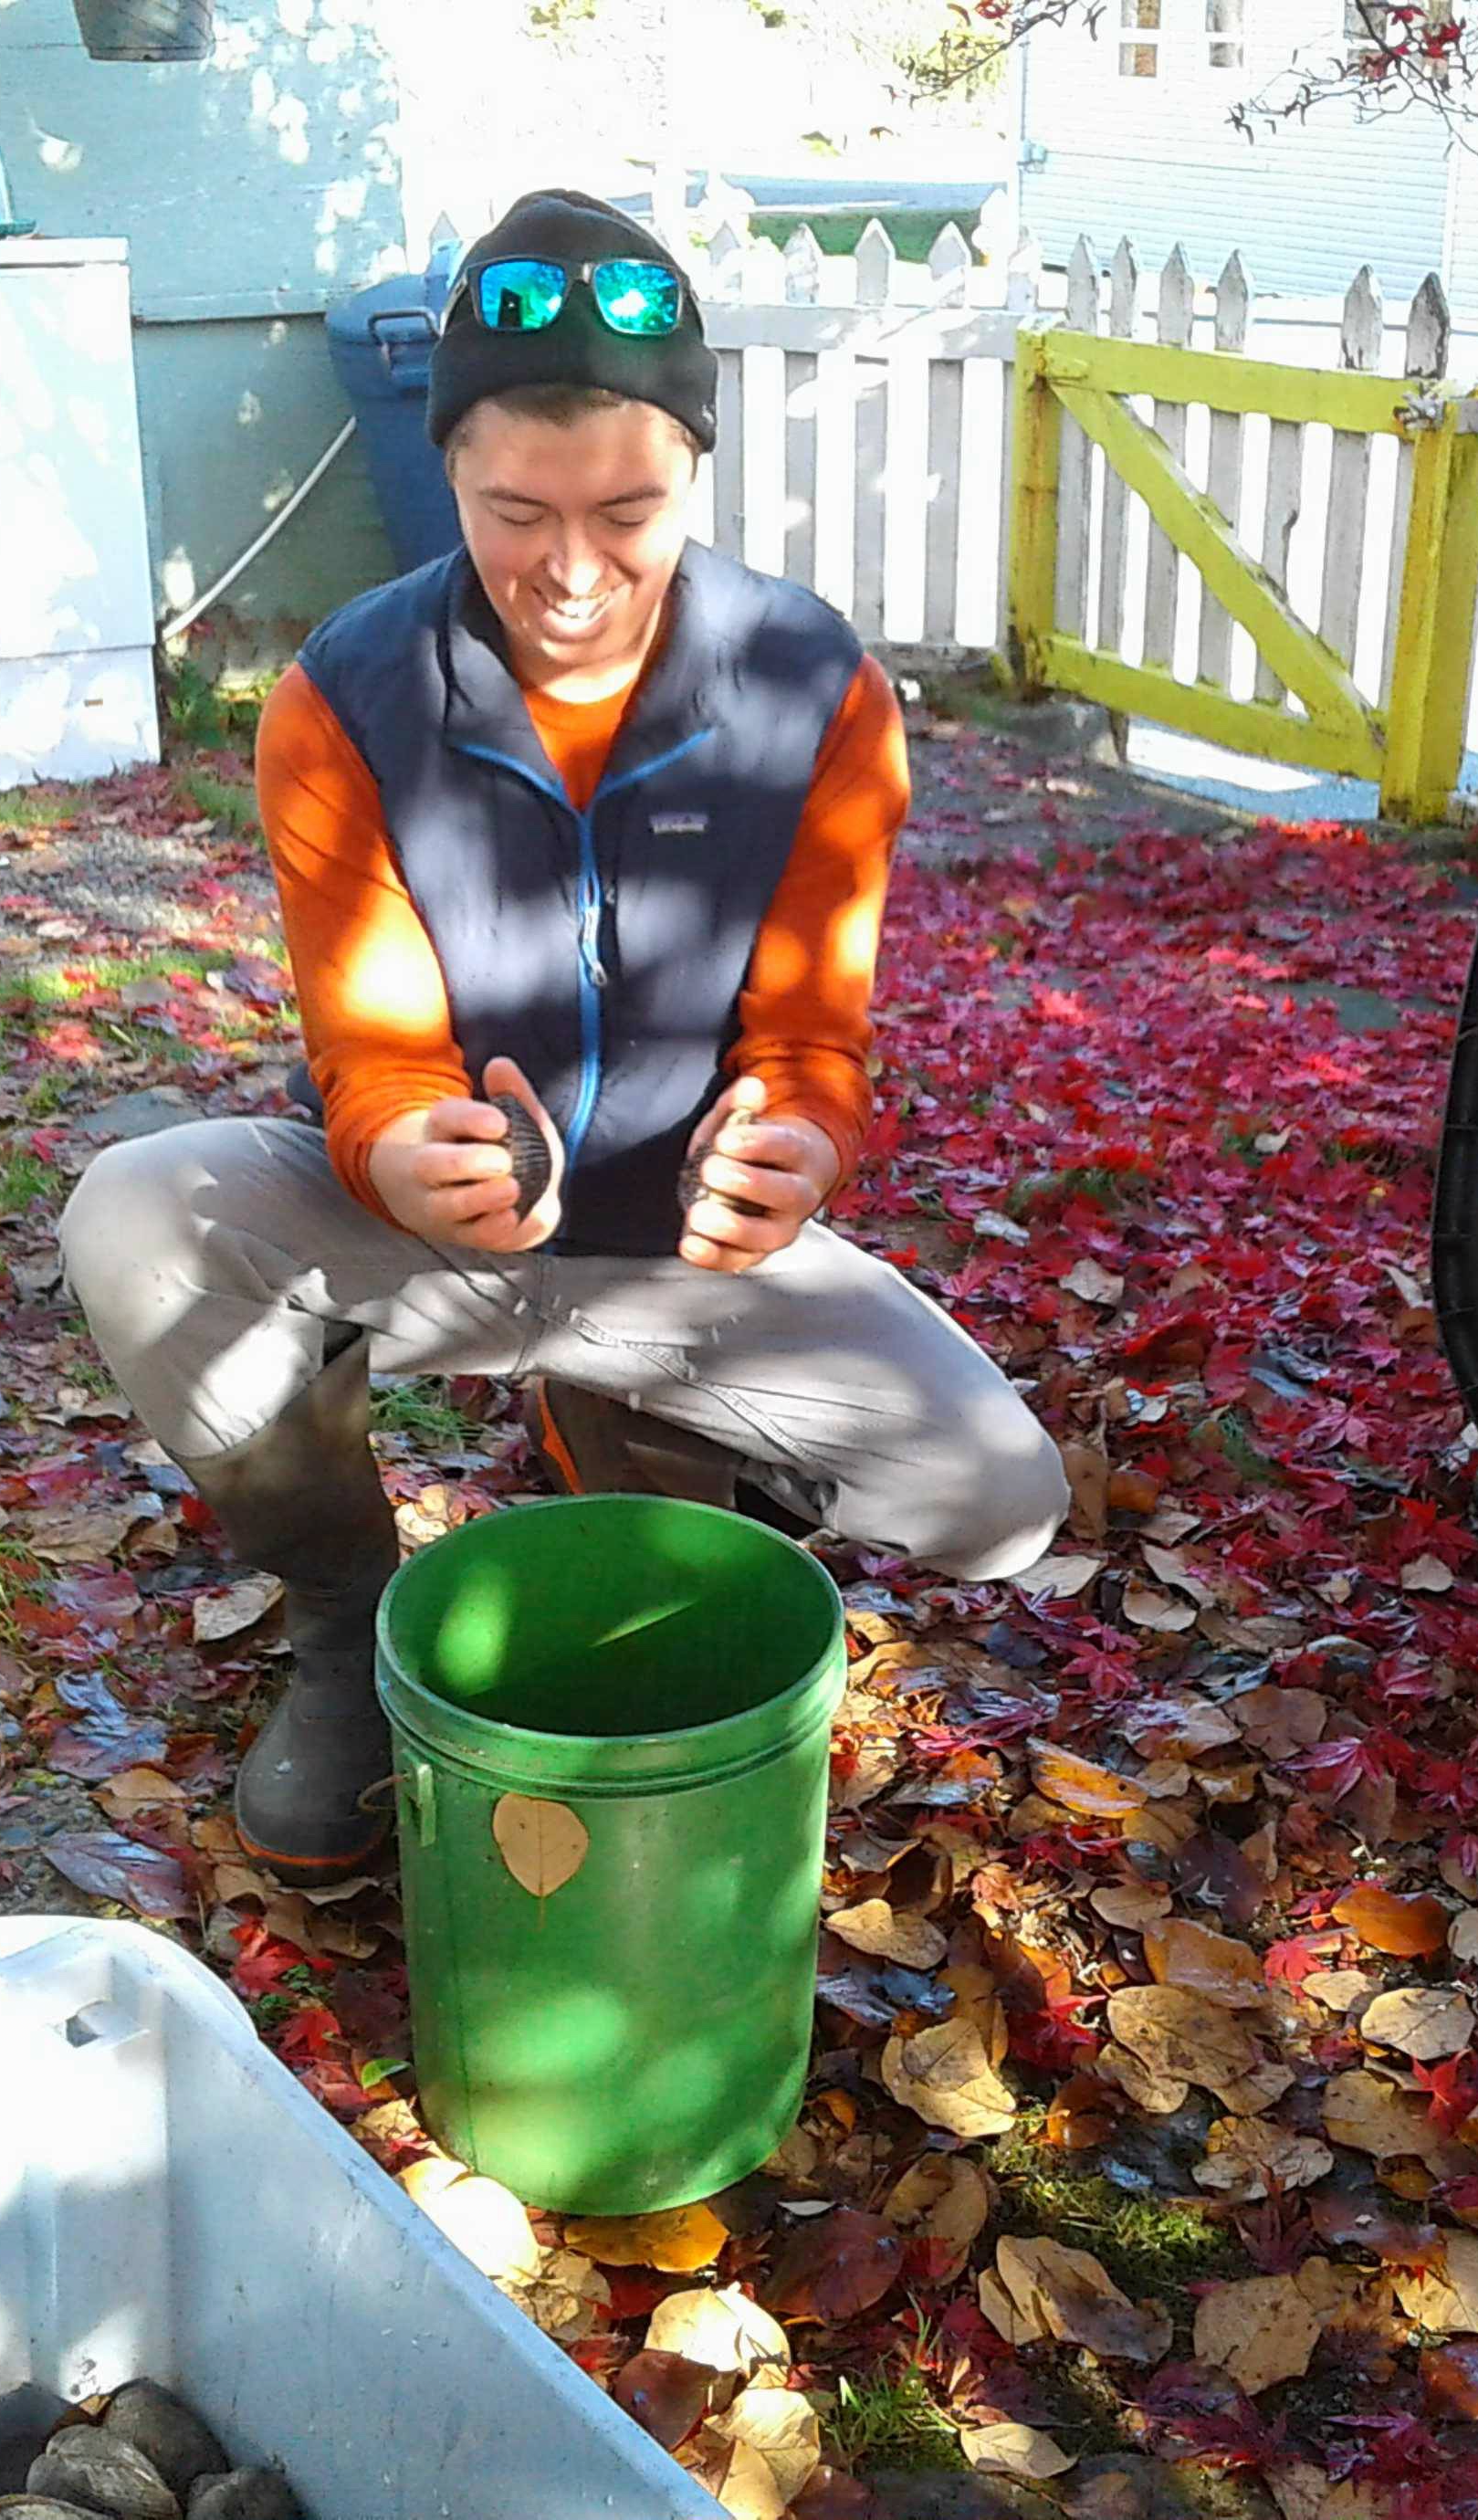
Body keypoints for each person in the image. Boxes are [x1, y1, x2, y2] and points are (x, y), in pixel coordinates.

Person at [60, 190, 1066, 1880]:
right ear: (446, 471)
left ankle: (636, 1433)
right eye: (515, 511)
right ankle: (343, 1628)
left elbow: (815, 1039)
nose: (575, 572)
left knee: (1003, 1502)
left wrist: (802, 1150)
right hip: (423, 1244)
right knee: (136, 1214)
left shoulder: (819, 692)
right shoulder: (343, 700)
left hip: (688, 1270)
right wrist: (395, 1143)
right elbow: (367, 1050)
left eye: (631, 509)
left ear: (695, 473)